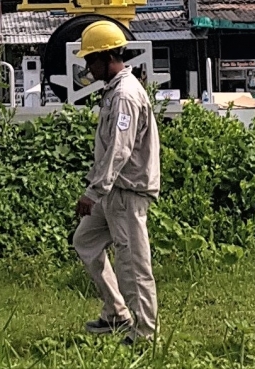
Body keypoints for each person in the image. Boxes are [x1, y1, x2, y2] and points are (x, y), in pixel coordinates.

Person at [72, 21, 160, 344]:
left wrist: (92, 193)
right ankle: (116, 313)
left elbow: (119, 152)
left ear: (108, 57)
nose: (87, 68)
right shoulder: (114, 91)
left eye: (91, 60)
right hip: (112, 192)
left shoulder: (125, 95)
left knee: (133, 265)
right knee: (85, 240)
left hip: (125, 193)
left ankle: (145, 335)